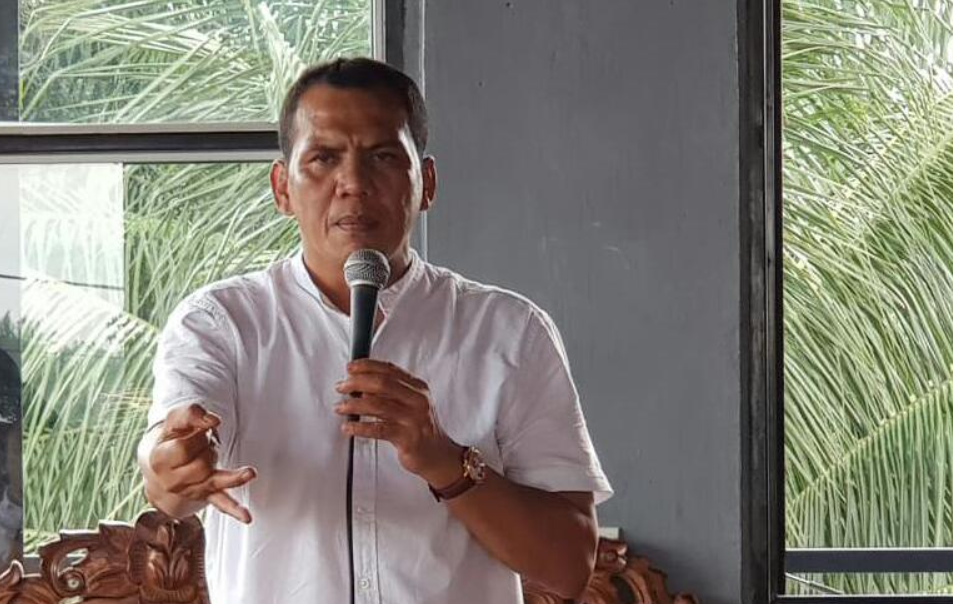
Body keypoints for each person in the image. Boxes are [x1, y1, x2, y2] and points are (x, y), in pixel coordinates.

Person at [137, 57, 612, 604]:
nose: (354, 185)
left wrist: (444, 460)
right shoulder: (220, 323)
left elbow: (569, 566)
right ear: (282, 188)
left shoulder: (509, 331)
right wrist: (168, 463)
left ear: (426, 183)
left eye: (383, 157)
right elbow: (169, 474)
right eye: (323, 158)